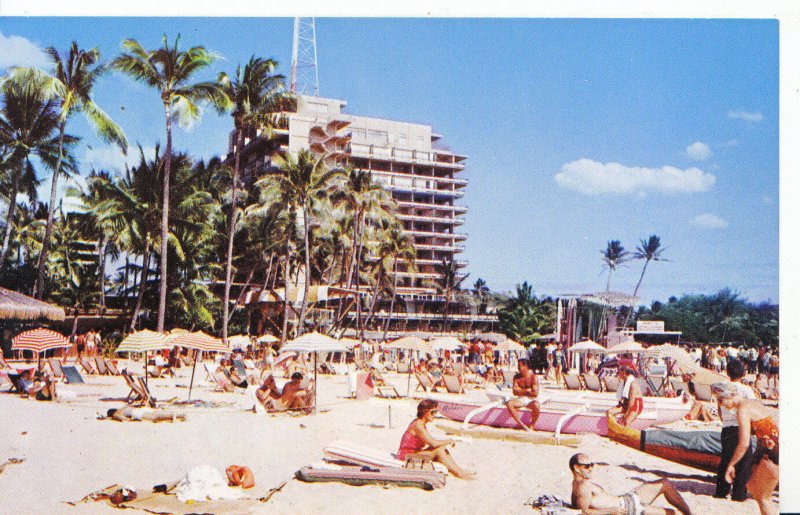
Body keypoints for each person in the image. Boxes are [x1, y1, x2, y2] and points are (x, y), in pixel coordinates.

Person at [711, 382, 779, 515]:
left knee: (763, 497)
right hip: (769, 446)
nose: (720, 404)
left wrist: (731, 465)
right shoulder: (750, 403)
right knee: (754, 487)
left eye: (721, 400)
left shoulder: (742, 409)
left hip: (770, 449)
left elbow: (744, 443)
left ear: (730, 395)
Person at [569, 453, 692, 514]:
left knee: (665, 483)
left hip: (628, 500)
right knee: (671, 508)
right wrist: (610, 510)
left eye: (591, 465)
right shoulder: (582, 487)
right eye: (586, 466)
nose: (591, 468)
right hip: (628, 509)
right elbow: (583, 512)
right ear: (576, 468)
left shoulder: (579, 484)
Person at [396, 399, 475, 479]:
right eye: (432, 412)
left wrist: (449, 441)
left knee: (442, 448)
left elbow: (432, 441)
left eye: (436, 412)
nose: (434, 415)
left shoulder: (420, 423)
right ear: (425, 412)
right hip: (406, 457)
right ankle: (458, 474)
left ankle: (460, 470)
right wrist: (450, 440)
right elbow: (433, 443)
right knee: (439, 450)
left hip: (414, 453)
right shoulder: (418, 426)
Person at [714, 359, 755, 501]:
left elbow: (720, 411)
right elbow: (752, 409)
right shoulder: (746, 390)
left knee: (726, 458)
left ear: (727, 372)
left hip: (727, 427)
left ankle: (721, 491)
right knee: (744, 462)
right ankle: (739, 493)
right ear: (743, 373)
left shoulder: (722, 389)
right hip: (741, 426)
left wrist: (725, 420)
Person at [505, 359, 541, 432]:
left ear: (526, 366)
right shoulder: (516, 377)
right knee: (509, 403)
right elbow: (514, 392)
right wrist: (527, 391)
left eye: (520, 366)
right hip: (520, 399)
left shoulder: (533, 377)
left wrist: (520, 390)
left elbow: (535, 394)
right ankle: (522, 425)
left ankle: (532, 425)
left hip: (530, 400)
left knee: (537, 405)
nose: (518, 368)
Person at [107, 406, 186, 422]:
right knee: (157, 414)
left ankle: (176, 415)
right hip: (141, 409)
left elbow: (120, 417)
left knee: (155, 418)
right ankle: (180, 415)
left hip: (136, 413)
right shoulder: (124, 407)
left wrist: (129, 420)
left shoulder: (117, 413)